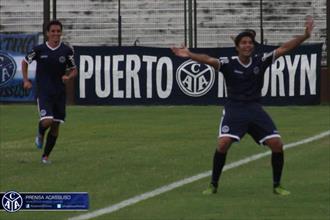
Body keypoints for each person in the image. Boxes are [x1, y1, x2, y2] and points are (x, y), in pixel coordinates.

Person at [171, 16, 314, 195]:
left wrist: (305, 36)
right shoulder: (228, 64)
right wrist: (190, 55)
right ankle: (213, 184)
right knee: (223, 144)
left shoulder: (261, 60)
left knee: (277, 144)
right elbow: (208, 59)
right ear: (237, 46)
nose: (248, 45)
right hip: (235, 109)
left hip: (254, 109)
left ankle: (277, 185)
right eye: (244, 42)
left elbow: (284, 48)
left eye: (250, 42)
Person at [22, 20, 77, 164]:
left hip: (59, 93)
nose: (56, 34)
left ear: (61, 32)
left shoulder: (66, 51)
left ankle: (45, 157)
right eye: (53, 31)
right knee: (47, 121)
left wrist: (68, 76)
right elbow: (25, 62)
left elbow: (74, 70)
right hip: (44, 92)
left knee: (55, 126)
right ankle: (40, 134)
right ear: (47, 33)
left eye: (58, 31)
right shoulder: (39, 49)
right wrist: (26, 80)